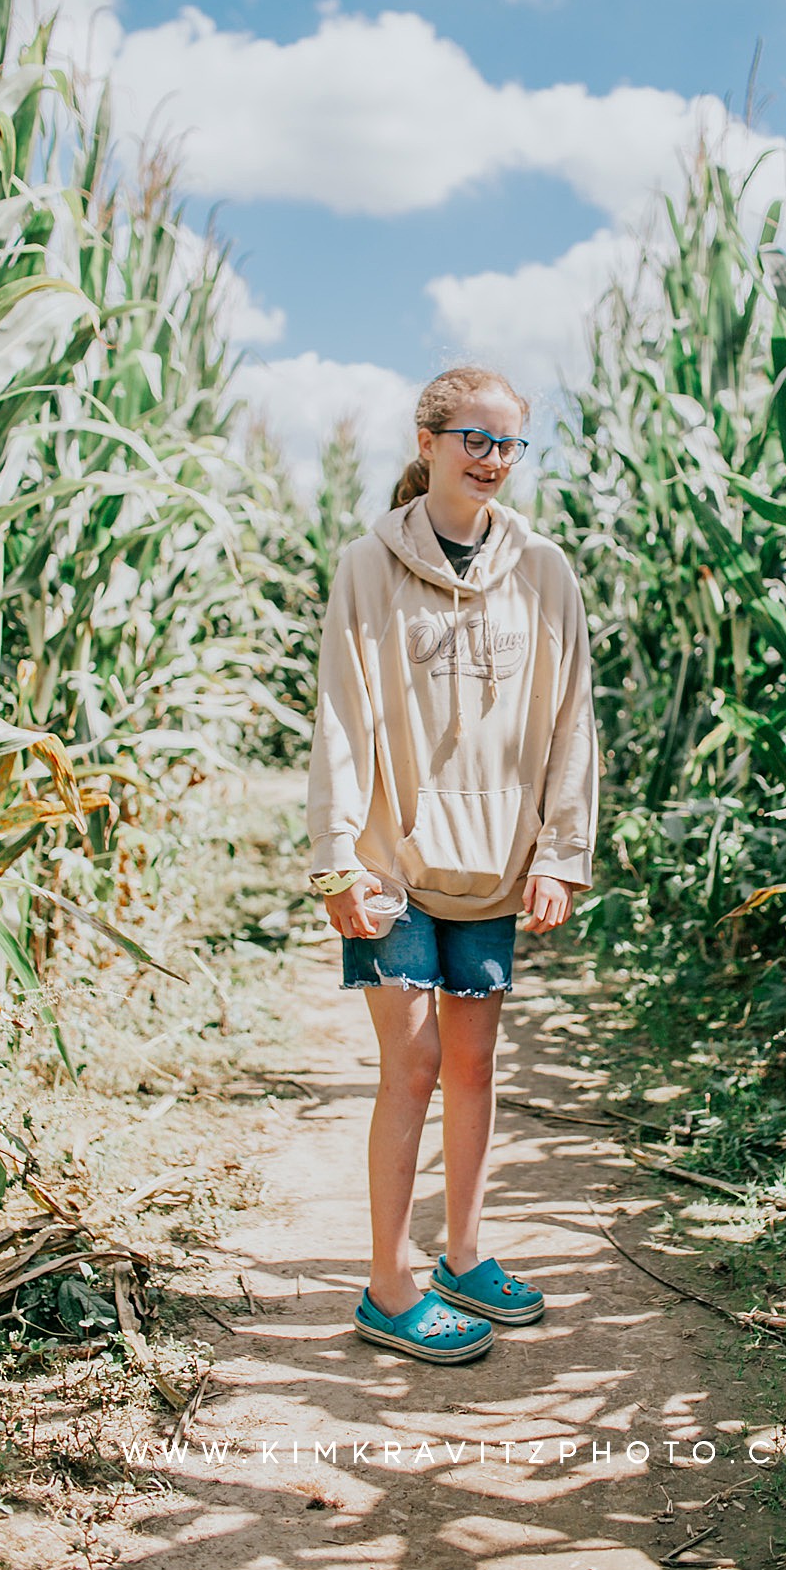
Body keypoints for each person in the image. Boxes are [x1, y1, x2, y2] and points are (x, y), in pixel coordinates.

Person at [305, 364, 600, 1365]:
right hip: (391, 855)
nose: (492, 459)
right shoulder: (367, 565)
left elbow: (571, 721)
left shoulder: (545, 569)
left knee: (474, 1064)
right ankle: (389, 1283)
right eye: (474, 438)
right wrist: (334, 854)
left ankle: (463, 1257)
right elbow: (342, 716)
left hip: (495, 863)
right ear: (427, 441)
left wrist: (562, 850)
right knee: (415, 1064)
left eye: (509, 442)